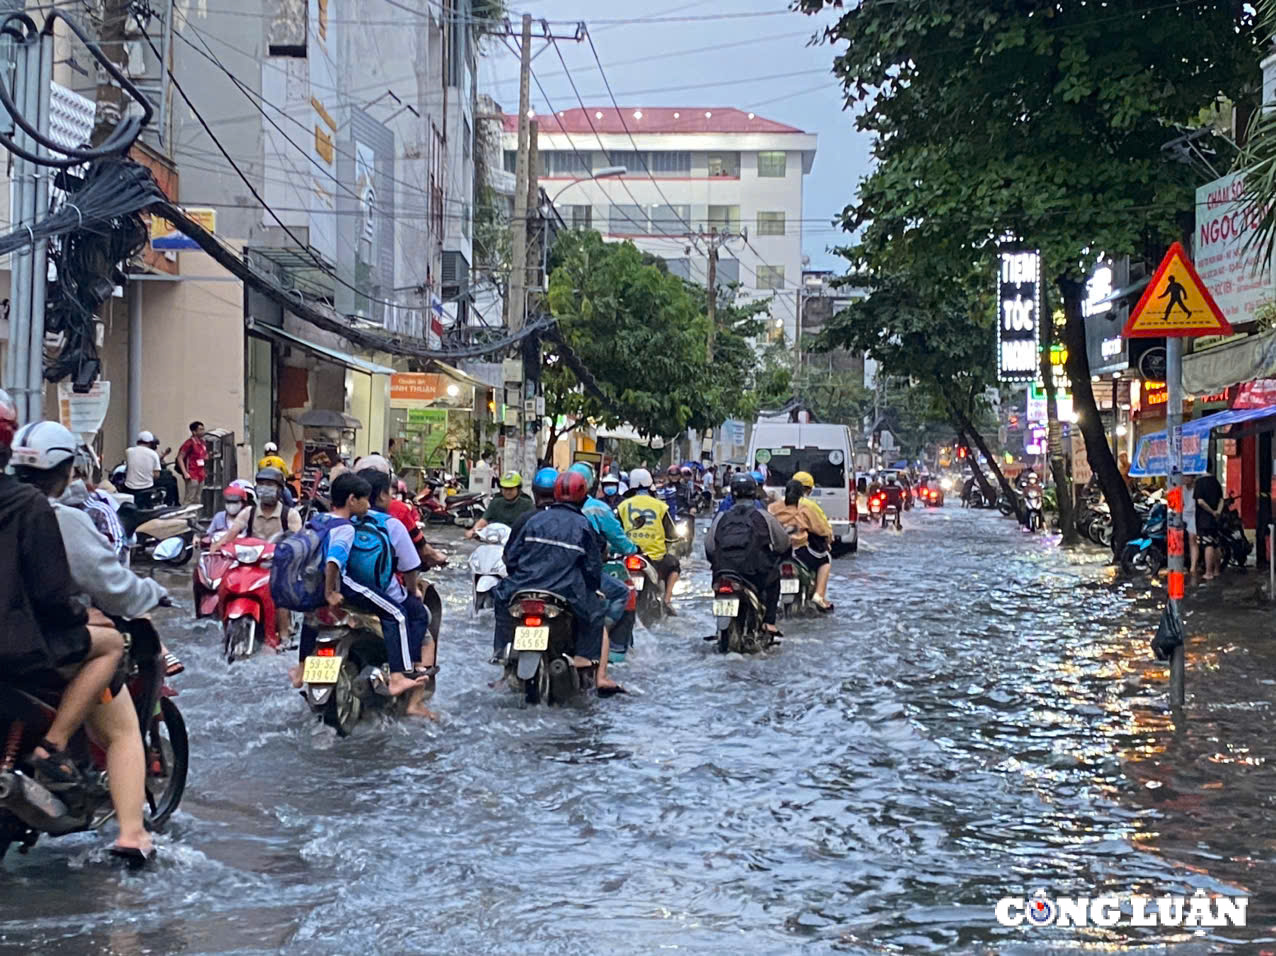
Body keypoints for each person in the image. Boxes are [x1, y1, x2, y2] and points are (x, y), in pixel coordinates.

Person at [12, 420, 167, 860]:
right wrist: (152, 593)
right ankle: (131, 833)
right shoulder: (58, 519)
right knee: (121, 729)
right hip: (39, 646)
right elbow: (112, 585)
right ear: (66, 472)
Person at [0, 403, 123, 810]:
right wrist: (83, 616)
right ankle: (53, 748)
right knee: (110, 645)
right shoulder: (32, 507)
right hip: (18, 647)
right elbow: (53, 595)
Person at [305, 471, 434, 715]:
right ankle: (410, 687)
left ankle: (302, 666)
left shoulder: (326, 519)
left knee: (311, 616)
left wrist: (326, 590)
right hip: (362, 592)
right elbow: (409, 567)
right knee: (413, 615)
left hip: (328, 593)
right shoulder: (387, 524)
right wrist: (413, 590)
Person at [492, 470, 618, 693]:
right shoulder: (583, 526)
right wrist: (591, 587)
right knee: (597, 612)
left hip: (523, 587)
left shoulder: (534, 519)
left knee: (500, 598)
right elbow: (592, 569)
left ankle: (502, 652)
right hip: (565, 590)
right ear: (583, 495)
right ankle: (585, 660)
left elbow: (511, 557)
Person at [705, 472, 791, 636]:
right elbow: (783, 543)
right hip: (754, 574)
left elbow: (709, 547)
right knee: (775, 579)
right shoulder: (764, 516)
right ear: (754, 491)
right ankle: (769, 623)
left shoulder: (721, 517)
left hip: (724, 573)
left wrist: (717, 565)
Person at [617, 467, 680, 615]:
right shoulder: (660, 506)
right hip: (655, 558)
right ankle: (667, 600)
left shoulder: (622, 506)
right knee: (675, 566)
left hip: (628, 555)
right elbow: (672, 535)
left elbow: (616, 532)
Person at [781, 472, 836, 611]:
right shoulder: (809, 506)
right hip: (799, 551)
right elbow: (823, 529)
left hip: (779, 552)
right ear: (809, 490)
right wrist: (829, 539)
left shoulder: (777, 504)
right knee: (825, 560)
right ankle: (819, 596)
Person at [467, 470, 534, 538]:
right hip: (497, 540)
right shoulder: (496, 502)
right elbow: (484, 520)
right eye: (505, 488)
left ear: (518, 489)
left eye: (511, 489)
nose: (507, 492)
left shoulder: (527, 504)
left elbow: (532, 525)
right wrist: (473, 530)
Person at [1194, 468, 1225, 581]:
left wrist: (1211, 511)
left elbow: (1200, 501)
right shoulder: (1215, 481)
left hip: (1204, 518)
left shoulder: (1200, 482)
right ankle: (1217, 570)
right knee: (1216, 544)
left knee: (1208, 545)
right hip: (1215, 518)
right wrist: (1218, 512)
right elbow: (1222, 499)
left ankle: (1209, 572)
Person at [123, 430, 162, 508]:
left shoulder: (129, 451)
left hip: (129, 487)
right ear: (150, 442)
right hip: (147, 488)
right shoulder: (153, 454)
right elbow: (156, 475)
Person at [176, 421, 208, 506]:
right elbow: (180, 457)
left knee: (197, 498)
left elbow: (204, 457)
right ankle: (184, 516)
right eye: (200, 429)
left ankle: (194, 518)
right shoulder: (189, 443)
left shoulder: (203, 443)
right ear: (194, 432)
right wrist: (185, 473)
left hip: (201, 474)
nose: (203, 431)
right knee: (190, 498)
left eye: (203, 429)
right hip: (192, 473)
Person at [1183, 475, 1199, 577]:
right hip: (1184, 514)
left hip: (1194, 514)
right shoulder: (1182, 488)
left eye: (1186, 477)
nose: (1184, 479)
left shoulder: (1197, 489)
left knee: (1192, 538)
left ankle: (1193, 567)